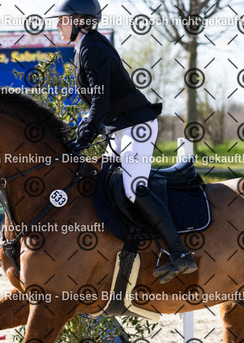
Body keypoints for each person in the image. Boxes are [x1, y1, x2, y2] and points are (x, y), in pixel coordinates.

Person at [50, 0, 196, 282]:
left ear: (80, 21)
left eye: (63, 19)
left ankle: (179, 253)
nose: (58, 24)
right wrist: (83, 130)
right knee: (104, 181)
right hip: (119, 129)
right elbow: (99, 104)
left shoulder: (93, 49)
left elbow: (101, 101)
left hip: (136, 127)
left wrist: (85, 135)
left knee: (133, 187)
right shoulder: (84, 48)